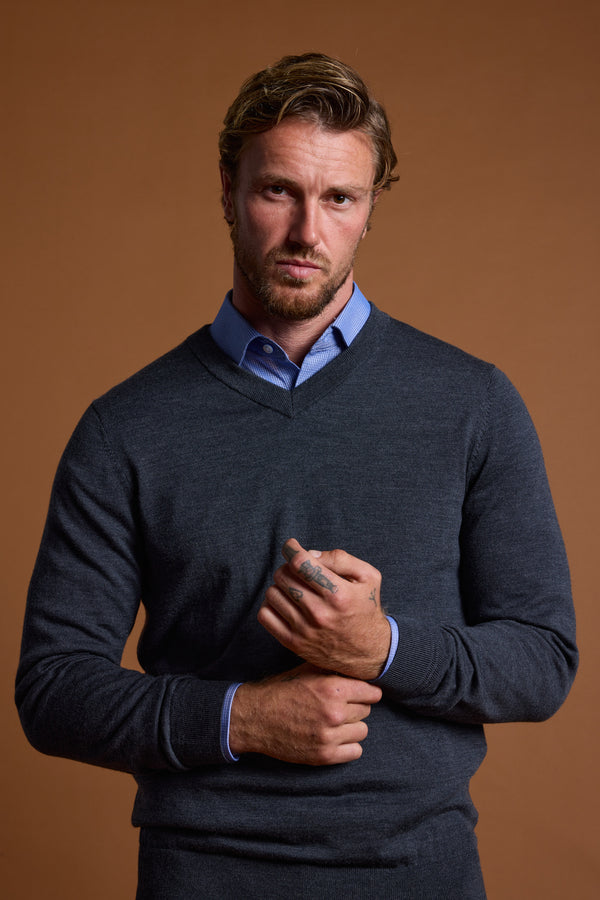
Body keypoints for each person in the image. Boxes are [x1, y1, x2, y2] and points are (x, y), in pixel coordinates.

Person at [16, 53, 578, 899]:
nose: (307, 232)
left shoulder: (473, 402)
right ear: (229, 190)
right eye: (279, 190)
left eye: (339, 198)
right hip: (203, 877)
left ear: (370, 208)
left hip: (418, 876)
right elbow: (53, 688)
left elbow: (544, 660)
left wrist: (382, 647)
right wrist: (242, 718)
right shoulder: (125, 427)